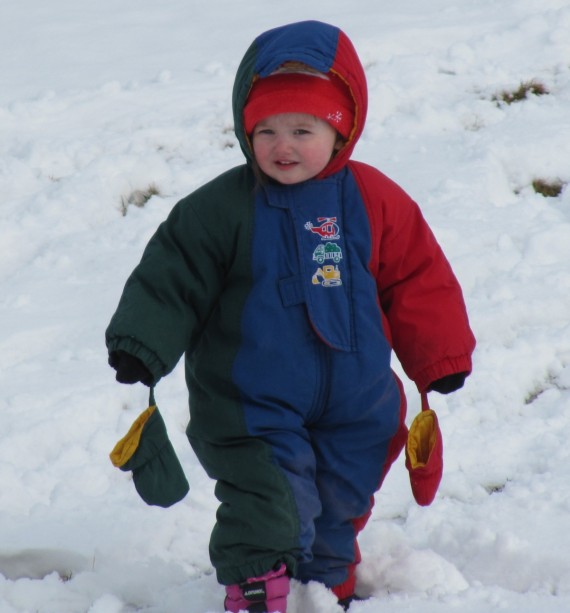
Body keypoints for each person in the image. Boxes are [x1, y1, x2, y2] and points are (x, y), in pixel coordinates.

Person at [106, 20, 476, 612]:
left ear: (341, 131)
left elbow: (417, 277)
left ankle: (325, 586)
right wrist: (141, 342)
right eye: (267, 130)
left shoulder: (375, 198)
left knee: (342, 496)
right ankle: (256, 586)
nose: (283, 146)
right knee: (269, 497)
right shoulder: (221, 209)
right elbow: (173, 276)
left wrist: (439, 356)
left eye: (303, 130)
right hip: (252, 400)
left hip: (359, 399)